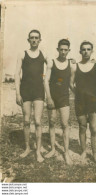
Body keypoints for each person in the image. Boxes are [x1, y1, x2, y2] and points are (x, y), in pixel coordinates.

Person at [15, 29, 47, 162]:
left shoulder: (43, 54)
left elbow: (54, 65)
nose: (34, 40)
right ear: (28, 40)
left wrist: (71, 61)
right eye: (32, 38)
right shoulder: (22, 54)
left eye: (36, 38)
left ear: (40, 40)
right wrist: (17, 93)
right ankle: (28, 147)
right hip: (25, 91)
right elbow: (17, 74)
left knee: (38, 121)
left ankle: (38, 151)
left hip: (39, 91)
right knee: (27, 121)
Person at [72, 41, 96, 167]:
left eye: (88, 49)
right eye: (83, 49)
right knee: (82, 127)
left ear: (92, 51)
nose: (86, 52)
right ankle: (84, 151)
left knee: (94, 129)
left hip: (93, 102)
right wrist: (78, 93)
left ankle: (95, 155)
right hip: (80, 101)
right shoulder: (75, 66)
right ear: (80, 51)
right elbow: (70, 83)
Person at [44, 39, 76, 165]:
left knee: (65, 124)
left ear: (69, 51)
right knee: (51, 123)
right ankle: (52, 149)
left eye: (65, 50)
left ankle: (66, 152)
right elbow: (46, 81)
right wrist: (49, 98)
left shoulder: (71, 65)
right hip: (52, 97)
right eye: (61, 49)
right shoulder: (51, 63)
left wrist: (78, 94)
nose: (63, 52)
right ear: (57, 49)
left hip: (64, 98)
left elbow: (71, 84)